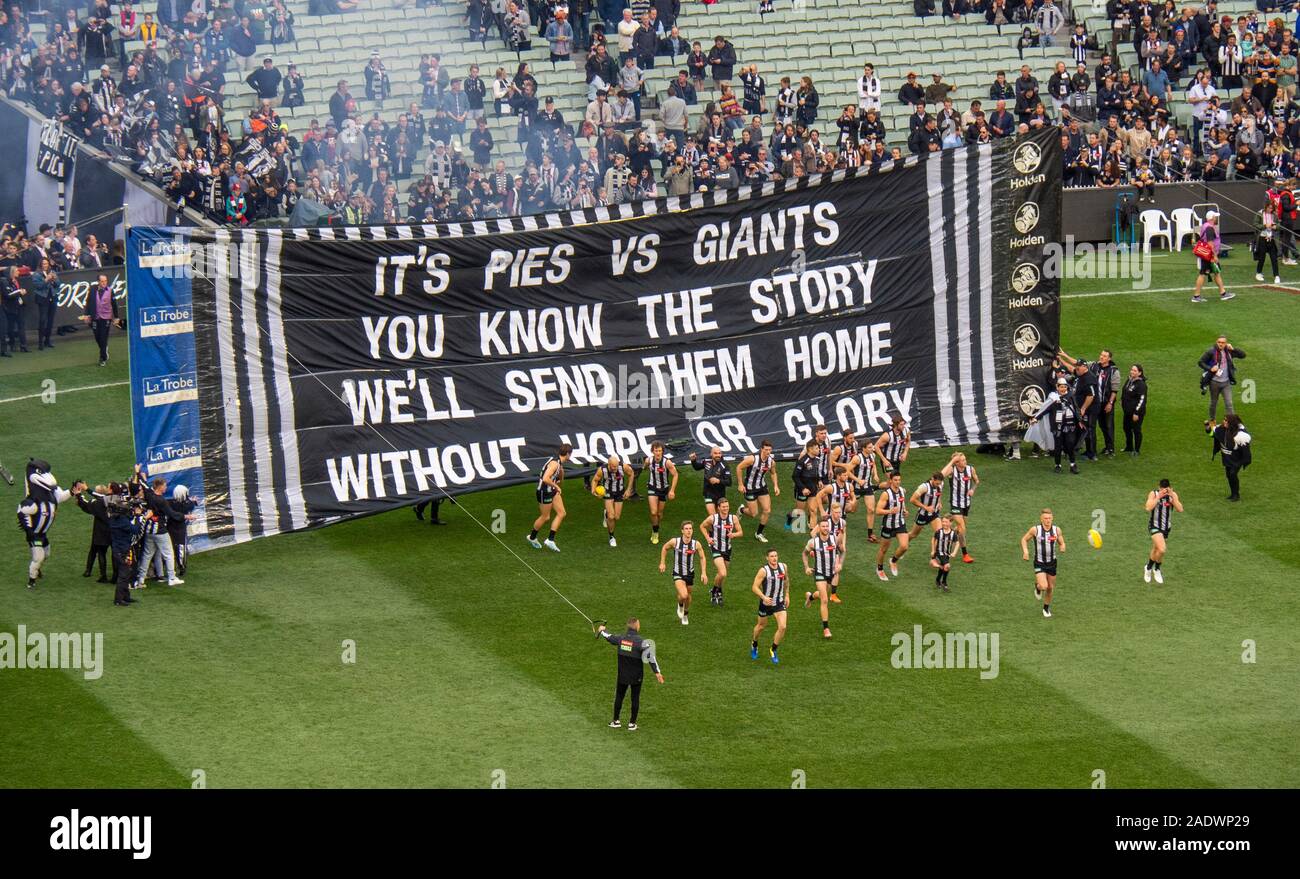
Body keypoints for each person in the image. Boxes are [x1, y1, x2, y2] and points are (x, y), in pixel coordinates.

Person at [16, 460, 80, 589]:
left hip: (43, 533)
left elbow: (61, 496)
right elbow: (22, 511)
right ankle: (31, 581)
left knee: (46, 555)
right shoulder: (32, 501)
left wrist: (73, 490)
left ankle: (36, 567)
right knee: (38, 557)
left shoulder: (51, 492)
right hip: (35, 534)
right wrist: (28, 530)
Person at [597, 617, 664, 730]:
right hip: (636, 676)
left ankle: (616, 721)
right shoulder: (642, 643)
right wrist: (657, 672)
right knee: (635, 698)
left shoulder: (621, 639)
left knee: (619, 696)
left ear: (628, 626)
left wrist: (602, 630)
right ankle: (632, 723)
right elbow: (651, 657)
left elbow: (609, 637)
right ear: (637, 626)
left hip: (622, 675)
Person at [136, 477, 184, 587]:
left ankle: (141, 579)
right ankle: (172, 577)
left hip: (149, 530)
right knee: (169, 554)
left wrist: (138, 473)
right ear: (160, 486)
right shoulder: (161, 500)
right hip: (160, 531)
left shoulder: (149, 495)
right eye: (165, 485)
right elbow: (172, 514)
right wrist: (186, 516)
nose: (166, 487)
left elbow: (144, 484)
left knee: (147, 555)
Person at [1030, 377, 1084, 473]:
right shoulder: (1052, 398)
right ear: (1057, 387)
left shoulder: (1071, 396)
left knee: (1070, 444)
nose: (1063, 389)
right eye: (1061, 387)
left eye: (1065, 387)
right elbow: (1045, 409)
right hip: (1058, 427)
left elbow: (1076, 409)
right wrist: (1035, 418)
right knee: (1058, 447)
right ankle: (1058, 465)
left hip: (1070, 425)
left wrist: (1080, 420)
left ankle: (1073, 465)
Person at [659, 520, 706, 625]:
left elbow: (702, 557)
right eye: (686, 529)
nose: (689, 531)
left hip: (690, 573)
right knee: (684, 595)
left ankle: (685, 614)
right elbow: (664, 548)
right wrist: (662, 563)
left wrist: (703, 573)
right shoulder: (675, 541)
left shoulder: (696, 544)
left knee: (688, 596)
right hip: (678, 573)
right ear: (682, 531)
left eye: (690, 529)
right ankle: (680, 605)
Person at [1021, 508, 1065, 618]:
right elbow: (1024, 540)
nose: (1048, 520)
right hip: (1039, 563)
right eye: (1045, 518)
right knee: (1044, 586)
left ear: (1052, 518)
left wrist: (1063, 546)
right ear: (1041, 519)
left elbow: (1061, 542)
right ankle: (1038, 586)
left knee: (1050, 587)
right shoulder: (1035, 530)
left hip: (1052, 563)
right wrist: (1025, 551)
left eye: (1049, 518)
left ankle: (1046, 608)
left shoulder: (1057, 530)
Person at [527, 444, 570, 551]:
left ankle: (550, 540)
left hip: (551, 490)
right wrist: (556, 486)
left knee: (562, 513)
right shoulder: (555, 464)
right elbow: (546, 478)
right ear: (568, 454)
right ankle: (532, 537)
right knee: (545, 517)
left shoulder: (558, 463)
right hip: (544, 491)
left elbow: (558, 477)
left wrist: (560, 477)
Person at [734, 439, 779, 542]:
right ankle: (741, 510)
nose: (768, 452)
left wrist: (776, 486)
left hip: (762, 487)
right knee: (754, 514)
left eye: (770, 450)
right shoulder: (752, 459)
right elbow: (739, 467)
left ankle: (759, 533)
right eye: (766, 450)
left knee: (767, 510)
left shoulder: (771, 462)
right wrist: (740, 484)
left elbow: (773, 473)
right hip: (750, 488)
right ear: (761, 449)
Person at [801, 517, 838, 639]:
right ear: (818, 528)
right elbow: (804, 554)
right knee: (825, 600)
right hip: (819, 572)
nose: (825, 528)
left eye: (827, 526)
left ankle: (810, 597)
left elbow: (841, 551)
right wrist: (806, 567)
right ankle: (826, 628)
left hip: (830, 573)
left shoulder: (834, 538)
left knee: (823, 595)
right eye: (823, 526)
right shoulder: (813, 542)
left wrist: (839, 563)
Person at [700, 497, 742, 605]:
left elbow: (740, 532)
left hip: (727, 549)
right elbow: (702, 526)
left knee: (722, 574)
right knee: (723, 573)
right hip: (716, 548)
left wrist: (734, 534)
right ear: (718, 508)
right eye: (723, 507)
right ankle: (716, 591)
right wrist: (708, 538)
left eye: (727, 506)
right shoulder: (713, 518)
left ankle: (717, 591)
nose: (725, 508)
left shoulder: (733, 518)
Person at [749, 549, 788, 664]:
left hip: (779, 602)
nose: (774, 558)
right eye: (771, 556)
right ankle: (754, 643)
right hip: (766, 603)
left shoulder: (783, 567)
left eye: (776, 556)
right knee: (761, 626)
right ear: (767, 558)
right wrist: (763, 597)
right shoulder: (763, 571)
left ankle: (773, 649)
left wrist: (787, 595)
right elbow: (754, 587)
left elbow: (786, 581)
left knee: (783, 627)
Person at [1199, 335, 1247, 428]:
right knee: (1213, 403)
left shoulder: (1229, 351)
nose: (1220, 344)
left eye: (1223, 342)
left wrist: (1234, 349)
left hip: (1226, 383)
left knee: (1229, 403)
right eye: (1219, 342)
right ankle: (1212, 420)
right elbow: (1200, 362)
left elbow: (1243, 355)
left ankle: (1232, 422)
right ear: (1217, 342)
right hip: (1214, 383)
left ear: (1226, 343)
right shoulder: (1211, 352)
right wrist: (1210, 368)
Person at [940, 452, 978, 562]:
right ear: (957, 462)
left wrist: (973, 489)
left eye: (965, 459)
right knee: (962, 528)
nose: (965, 461)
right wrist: (952, 462)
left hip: (966, 503)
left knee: (961, 528)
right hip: (955, 504)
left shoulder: (970, 469)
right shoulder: (952, 470)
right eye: (963, 460)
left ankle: (947, 534)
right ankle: (965, 554)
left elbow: (977, 481)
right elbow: (941, 475)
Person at [74, 482, 116, 583]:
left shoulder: (98, 503)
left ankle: (103, 576)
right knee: (114, 554)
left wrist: (78, 495)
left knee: (101, 553)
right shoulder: (115, 500)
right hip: (114, 530)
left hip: (100, 532)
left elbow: (86, 506)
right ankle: (115, 575)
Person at [1144, 479, 1183, 584]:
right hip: (1154, 526)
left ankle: (1148, 568)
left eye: (1166, 489)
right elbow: (1148, 507)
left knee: (1156, 549)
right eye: (1162, 489)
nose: (1164, 491)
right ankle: (1156, 569)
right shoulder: (1154, 493)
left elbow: (1180, 509)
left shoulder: (1172, 495)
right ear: (1159, 487)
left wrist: (1173, 499)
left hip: (1166, 528)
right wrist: (1158, 497)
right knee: (1162, 549)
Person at [1191, 210, 1234, 302]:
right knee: (1203, 274)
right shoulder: (1209, 228)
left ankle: (1223, 293)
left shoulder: (1206, 226)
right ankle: (1196, 296)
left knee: (1216, 272)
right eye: (1215, 217)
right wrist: (1214, 256)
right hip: (1209, 255)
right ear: (1212, 218)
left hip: (1207, 254)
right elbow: (1210, 243)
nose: (1216, 218)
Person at [874, 472, 910, 581]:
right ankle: (879, 569)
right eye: (895, 480)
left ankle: (893, 561)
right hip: (888, 525)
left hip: (900, 523)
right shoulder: (886, 494)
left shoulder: (902, 491)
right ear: (890, 480)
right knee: (883, 549)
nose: (898, 482)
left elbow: (902, 505)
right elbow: (878, 511)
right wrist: (890, 511)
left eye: (899, 480)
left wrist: (905, 511)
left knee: (904, 546)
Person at [640, 441, 678, 544]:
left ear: (662, 451)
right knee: (653, 512)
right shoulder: (649, 460)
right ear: (653, 451)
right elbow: (645, 466)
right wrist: (644, 466)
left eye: (660, 451)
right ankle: (655, 532)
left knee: (659, 514)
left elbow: (675, 475)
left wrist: (672, 490)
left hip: (663, 489)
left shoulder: (667, 462)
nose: (658, 453)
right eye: (656, 450)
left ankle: (655, 527)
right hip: (652, 487)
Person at [592, 454, 633, 547]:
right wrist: (594, 492)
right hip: (608, 491)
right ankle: (611, 537)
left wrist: (629, 489)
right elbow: (595, 480)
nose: (615, 468)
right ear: (609, 464)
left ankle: (606, 513)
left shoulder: (623, 467)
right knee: (611, 517)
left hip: (619, 492)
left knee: (617, 517)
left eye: (616, 466)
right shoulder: (602, 470)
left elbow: (631, 474)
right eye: (613, 466)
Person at [81, 273, 121, 366]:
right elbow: (88, 302)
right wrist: (86, 315)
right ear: (98, 282)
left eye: (105, 281)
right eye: (102, 281)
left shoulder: (110, 291)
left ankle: (102, 358)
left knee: (103, 337)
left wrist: (116, 317)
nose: (104, 283)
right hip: (95, 316)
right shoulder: (92, 289)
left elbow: (114, 304)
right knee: (97, 337)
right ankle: (104, 348)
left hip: (106, 317)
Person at [1211, 413, 1252, 501]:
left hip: (1237, 459)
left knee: (1233, 474)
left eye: (1226, 420)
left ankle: (1236, 495)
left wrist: (1240, 463)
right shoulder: (1222, 429)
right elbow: (1212, 433)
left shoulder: (1240, 435)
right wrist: (1207, 426)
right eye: (1224, 419)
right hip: (1228, 458)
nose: (1224, 421)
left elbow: (1247, 454)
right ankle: (1233, 494)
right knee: (1229, 475)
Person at [786, 438, 822, 530]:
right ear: (810, 449)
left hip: (813, 489)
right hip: (802, 490)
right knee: (800, 512)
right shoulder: (802, 461)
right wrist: (803, 488)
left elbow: (816, 473)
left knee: (813, 510)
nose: (819, 450)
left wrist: (819, 481)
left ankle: (813, 531)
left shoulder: (817, 459)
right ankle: (790, 516)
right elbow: (795, 476)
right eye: (816, 448)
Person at [689, 446, 731, 515]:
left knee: (721, 517)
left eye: (719, 453)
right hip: (708, 493)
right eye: (715, 453)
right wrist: (693, 460)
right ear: (711, 454)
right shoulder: (706, 461)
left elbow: (729, 482)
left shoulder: (725, 465)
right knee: (713, 517)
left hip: (720, 495)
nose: (718, 455)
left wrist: (718, 481)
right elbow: (697, 467)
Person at [30, 259, 60, 350]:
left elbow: (58, 284)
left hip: (52, 297)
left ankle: (47, 340)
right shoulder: (36, 274)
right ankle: (40, 343)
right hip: (42, 298)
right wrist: (46, 280)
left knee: (50, 320)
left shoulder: (52, 272)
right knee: (43, 320)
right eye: (43, 264)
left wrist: (54, 280)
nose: (45, 265)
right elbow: (38, 286)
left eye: (46, 263)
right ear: (40, 264)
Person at [907, 471, 945, 543]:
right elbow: (912, 500)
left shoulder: (940, 484)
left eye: (939, 483)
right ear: (932, 479)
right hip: (923, 515)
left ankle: (937, 553)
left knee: (940, 534)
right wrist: (926, 507)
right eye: (937, 483)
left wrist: (939, 502)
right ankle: (903, 546)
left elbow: (939, 493)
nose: (938, 485)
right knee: (913, 535)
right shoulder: (924, 487)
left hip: (934, 514)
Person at [1254, 196, 1282, 284]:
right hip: (1262, 239)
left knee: (1274, 258)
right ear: (1265, 207)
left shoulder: (1274, 215)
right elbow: (1255, 224)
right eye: (1269, 208)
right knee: (1262, 257)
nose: (1270, 209)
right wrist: (1265, 226)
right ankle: (1258, 273)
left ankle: (1276, 276)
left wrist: (1275, 227)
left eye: (1272, 208)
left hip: (1271, 239)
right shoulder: (1259, 213)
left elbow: (1279, 225)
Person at [1121, 364, 1148, 455]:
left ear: (1140, 373)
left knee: (1136, 430)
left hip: (1136, 413)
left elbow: (1142, 400)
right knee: (1126, 428)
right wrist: (1122, 401)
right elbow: (1124, 391)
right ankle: (1129, 447)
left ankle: (1136, 450)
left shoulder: (1141, 384)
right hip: (1127, 411)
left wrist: (1136, 413)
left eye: (1135, 370)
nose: (1132, 371)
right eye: (1132, 369)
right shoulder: (1129, 380)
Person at [930, 514, 960, 592]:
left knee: (943, 567)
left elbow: (957, 543)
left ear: (951, 523)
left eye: (946, 522)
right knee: (947, 566)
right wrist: (933, 550)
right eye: (943, 522)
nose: (944, 524)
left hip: (947, 554)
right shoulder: (939, 532)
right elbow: (933, 539)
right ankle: (944, 582)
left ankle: (938, 580)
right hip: (939, 553)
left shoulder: (953, 533)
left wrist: (954, 552)